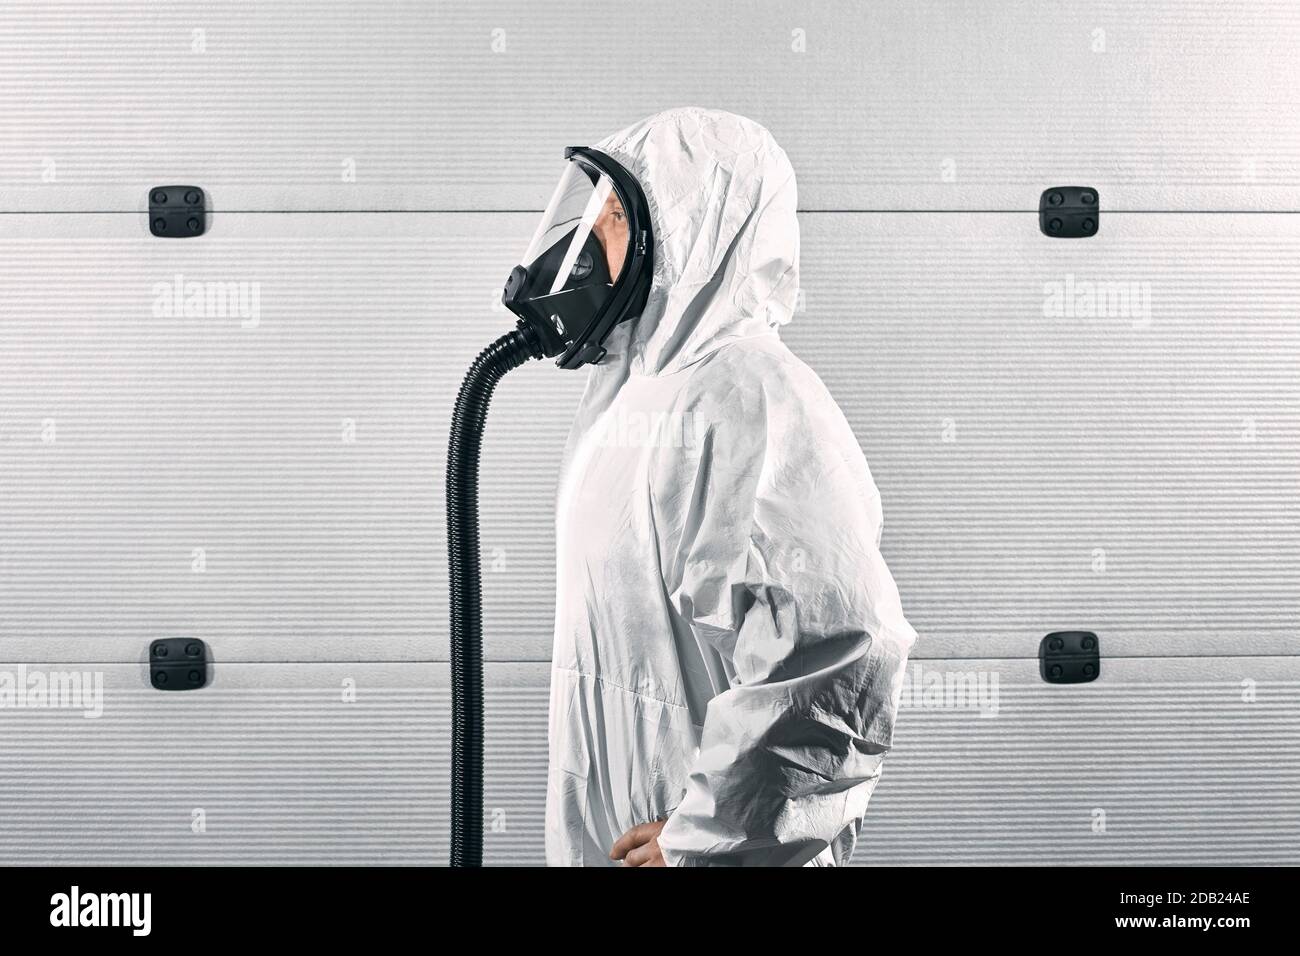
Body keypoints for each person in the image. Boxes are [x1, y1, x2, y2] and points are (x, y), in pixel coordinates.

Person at [546, 107, 918, 866]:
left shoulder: (749, 398)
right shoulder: (633, 394)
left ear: (690, 231)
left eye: (615, 215)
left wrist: (715, 840)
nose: (586, 242)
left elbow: (838, 649)